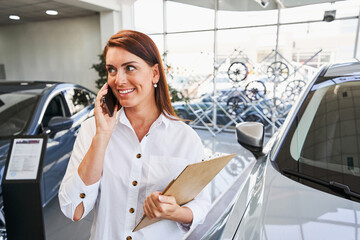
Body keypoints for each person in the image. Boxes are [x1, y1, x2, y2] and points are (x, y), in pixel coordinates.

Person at [58, 30, 211, 240]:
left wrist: (175, 212)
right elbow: (74, 210)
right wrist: (102, 137)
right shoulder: (92, 130)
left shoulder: (185, 138)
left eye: (130, 68)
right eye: (112, 70)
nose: (118, 80)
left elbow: (201, 204)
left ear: (155, 73)